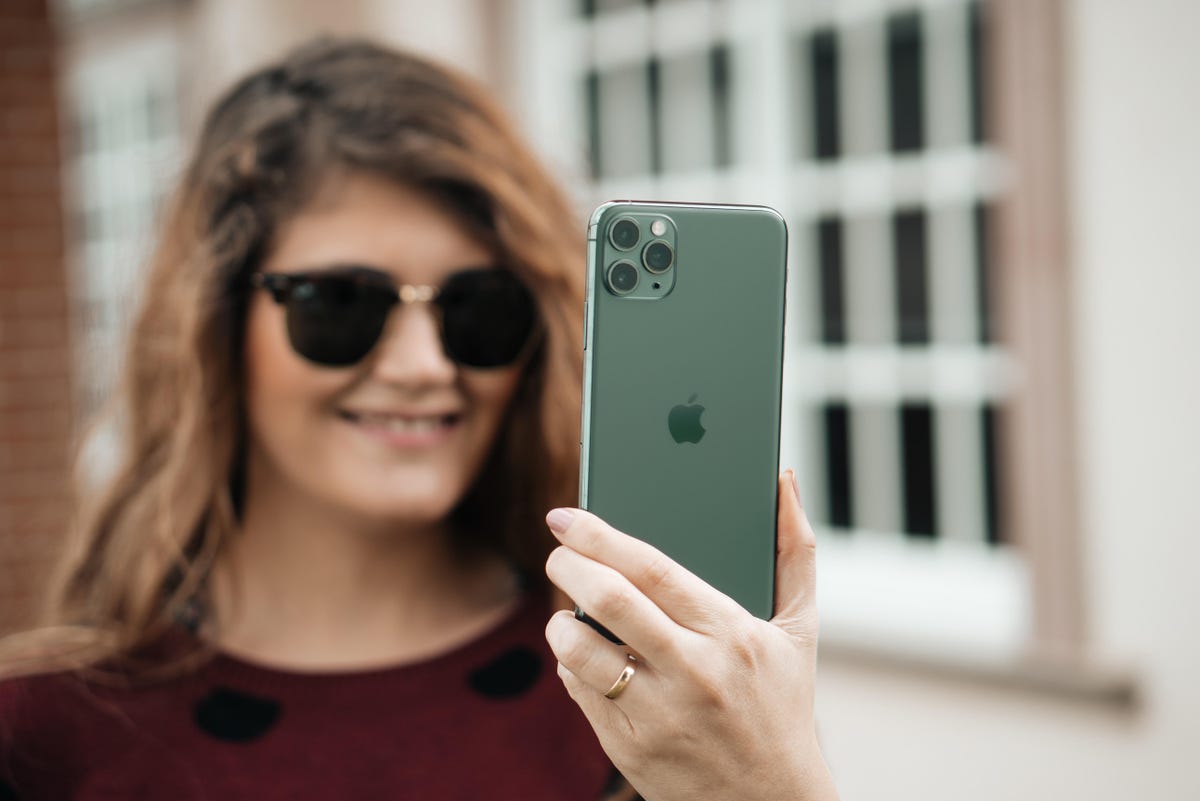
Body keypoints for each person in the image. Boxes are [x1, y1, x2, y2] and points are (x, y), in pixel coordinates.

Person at [0, 37, 839, 801]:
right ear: (216, 328)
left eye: (479, 309)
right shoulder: (37, 734)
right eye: (341, 304)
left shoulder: (645, 685)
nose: (423, 365)